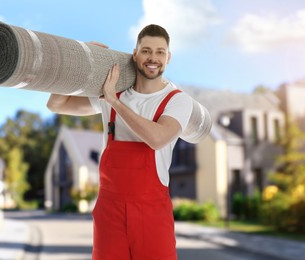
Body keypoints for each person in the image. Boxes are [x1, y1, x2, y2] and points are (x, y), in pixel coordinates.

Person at [47, 24, 195, 260]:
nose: (152, 58)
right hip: (110, 211)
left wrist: (114, 102)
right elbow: (56, 105)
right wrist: (80, 58)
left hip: (152, 214)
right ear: (135, 54)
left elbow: (157, 138)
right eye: (146, 51)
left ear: (168, 57)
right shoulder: (112, 93)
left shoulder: (177, 101)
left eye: (159, 52)